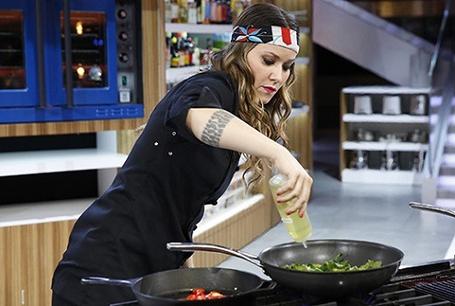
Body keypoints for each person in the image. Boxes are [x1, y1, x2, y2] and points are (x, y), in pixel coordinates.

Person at [52, 3, 313, 305]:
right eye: (268, 60)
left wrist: (183, 270)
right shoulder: (211, 86)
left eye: (286, 66)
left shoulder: (236, 108)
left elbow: (176, 206)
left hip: (156, 261)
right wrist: (279, 154)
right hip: (107, 262)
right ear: (240, 53)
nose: (278, 76)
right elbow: (200, 117)